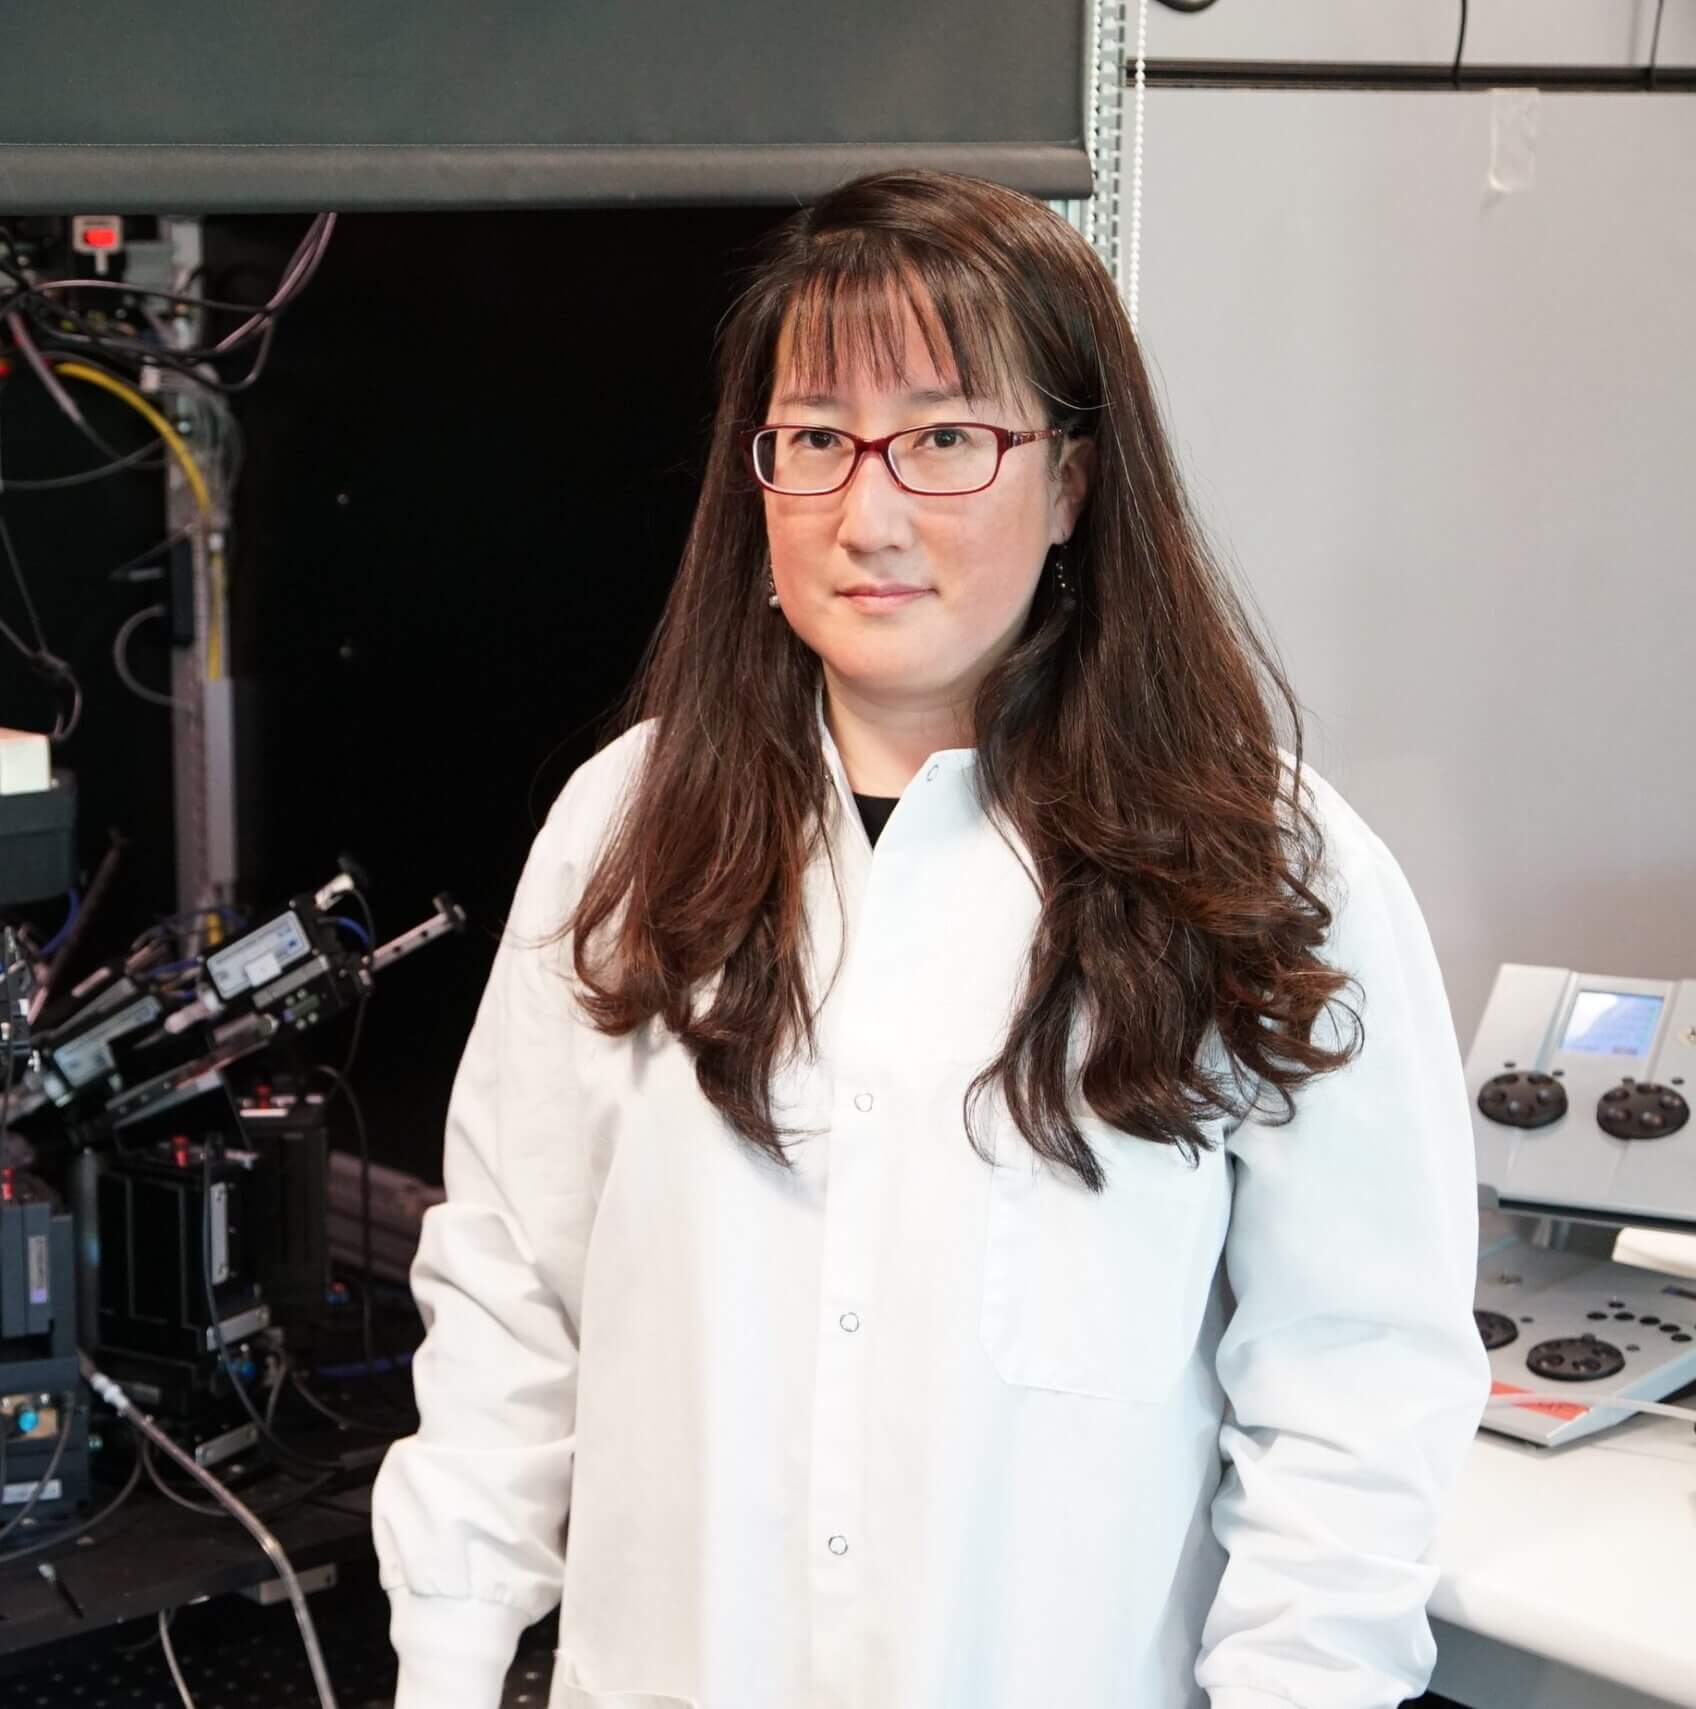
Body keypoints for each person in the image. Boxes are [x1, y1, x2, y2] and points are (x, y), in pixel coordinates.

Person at [371, 170, 1489, 1709]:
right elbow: (511, 1296)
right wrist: (447, 1656)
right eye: (817, 439)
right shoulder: (629, 824)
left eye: (948, 439)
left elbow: (1354, 1392)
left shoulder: (1263, 862)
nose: (868, 512)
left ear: (1075, 481)